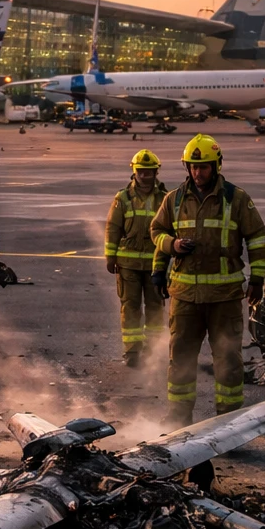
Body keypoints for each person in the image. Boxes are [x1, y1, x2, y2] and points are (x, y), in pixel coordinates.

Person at [149, 135, 265, 427]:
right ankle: (178, 420)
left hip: (224, 298)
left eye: (203, 167)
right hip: (185, 297)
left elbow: (258, 239)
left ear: (216, 166)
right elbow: (157, 231)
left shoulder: (236, 199)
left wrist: (257, 279)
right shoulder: (174, 199)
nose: (197, 173)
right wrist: (169, 251)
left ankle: (228, 423)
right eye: (193, 167)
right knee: (180, 361)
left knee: (228, 363)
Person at [105, 149, 168, 366]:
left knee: (154, 306)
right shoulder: (122, 198)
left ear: (155, 172)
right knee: (130, 306)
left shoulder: (165, 198)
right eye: (141, 171)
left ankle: (153, 350)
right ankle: (132, 352)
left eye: (149, 172)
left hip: (155, 264)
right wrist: (110, 255)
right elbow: (113, 228)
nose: (145, 175)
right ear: (134, 171)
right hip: (128, 264)